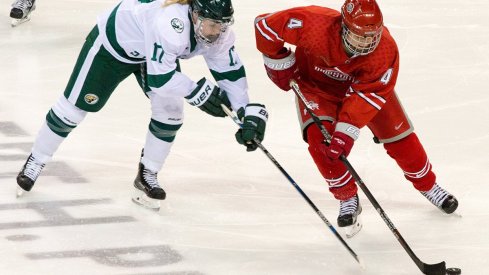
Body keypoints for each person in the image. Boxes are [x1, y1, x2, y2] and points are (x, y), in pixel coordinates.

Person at [15, 0, 268, 210]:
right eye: (212, 24)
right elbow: (161, 80)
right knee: (73, 109)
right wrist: (197, 92)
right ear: (194, 14)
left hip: (152, 53)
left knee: (170, 113)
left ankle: (147, 174)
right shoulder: (171, 24)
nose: (216, 32)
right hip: (113, 47)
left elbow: (230, 73)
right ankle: (37, 159)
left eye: (221, 26)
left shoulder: (218, 34)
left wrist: (245, 112)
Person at [254, 0, 458, 236]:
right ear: (343, 25)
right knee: (321, 143)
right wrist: (278, 61)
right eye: (359, 36)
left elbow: (368, 95)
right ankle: (348, 198)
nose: (366, 42)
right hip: (316, 88)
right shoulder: (314, 23)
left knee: (400, 137)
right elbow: (265, 26)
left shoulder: (385, 50)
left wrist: (345, 132)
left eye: (372, 35)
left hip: (365, 91)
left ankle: (429, 185)